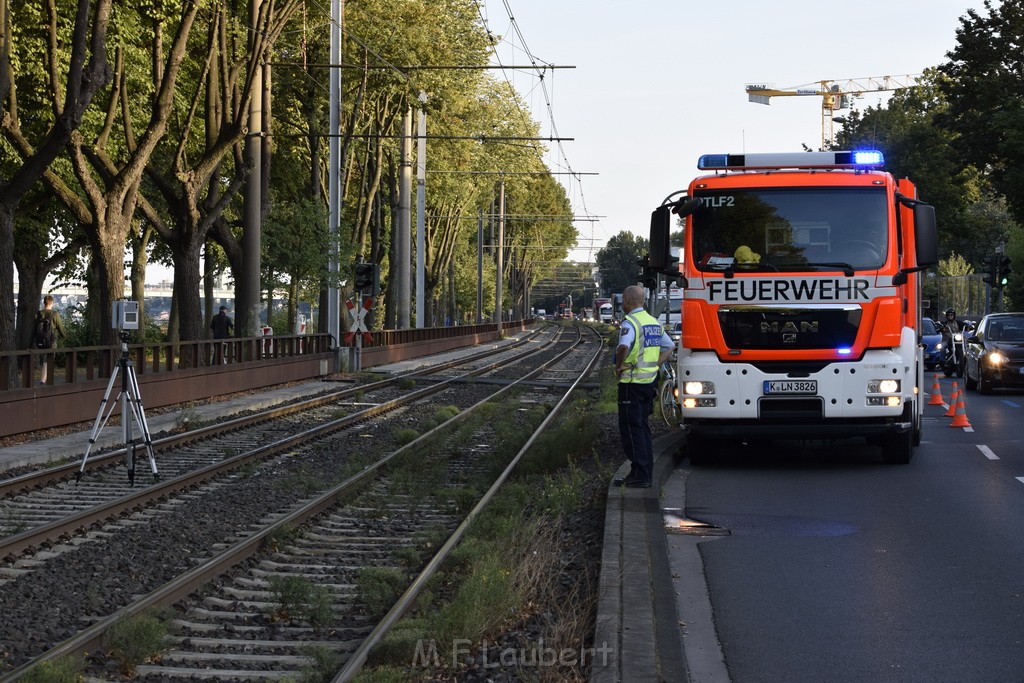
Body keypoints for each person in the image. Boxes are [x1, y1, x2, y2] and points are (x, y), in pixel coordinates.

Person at [613, 285, 675, 488]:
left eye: (623, 299)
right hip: (649, 383)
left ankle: (640, 475)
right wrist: (655, 364)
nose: (622, 303)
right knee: (642, 427)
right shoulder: (653, 322)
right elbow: (670, 347)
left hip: (631, 383)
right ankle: (642, 472)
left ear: (629, 300)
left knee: (631, 429)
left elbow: (623, 346)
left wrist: (619, 365)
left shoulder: (630, 323)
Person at [35, 295, 67, 385]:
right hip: (51, 342)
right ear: (52, 303)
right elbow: (61, 329)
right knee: (48, 360)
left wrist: (30, 344)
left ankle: (44, 380)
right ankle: (43, 381)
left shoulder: (39, 314)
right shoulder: (55, 314)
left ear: (44, 303)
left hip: (40, 342)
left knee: (44, 360)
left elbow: (34, 330)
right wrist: (64, 336)